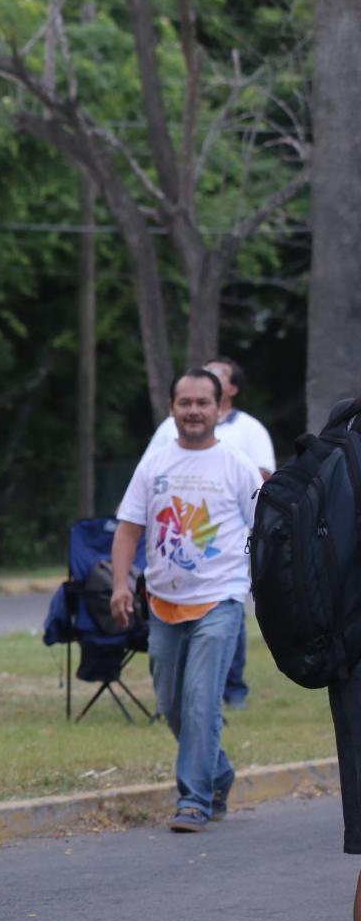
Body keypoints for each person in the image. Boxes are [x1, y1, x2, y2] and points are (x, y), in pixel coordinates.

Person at [110, 369, 263, 832]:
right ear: (172, 408)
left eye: (202, 402)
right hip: (163, 602)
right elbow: (129, 529)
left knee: (201, 701)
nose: (194, 410)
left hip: (221, 599)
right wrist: (121, 584)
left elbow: (265, 531)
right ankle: (218, 772)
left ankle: (193, 799)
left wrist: (261, 587)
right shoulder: (154, 464)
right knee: (172, 704)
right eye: (185, 403)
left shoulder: (237, 465)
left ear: (219, 409)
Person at [142, 356, 275, 709]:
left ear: (229, 390)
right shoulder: (169, 429)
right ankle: (187, 695)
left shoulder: (249, 430)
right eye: (187, 401)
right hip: (174, 549)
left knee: (224, 618)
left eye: (218, 376)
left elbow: (263, 479)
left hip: (221, 548)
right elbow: (148, 476)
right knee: (177, 681)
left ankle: (233, 688)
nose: (195, 406)